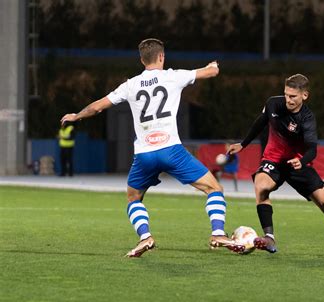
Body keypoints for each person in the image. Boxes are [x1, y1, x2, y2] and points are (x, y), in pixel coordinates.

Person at [61, 38, 243, 257]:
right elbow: (210, 73)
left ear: (141, 59)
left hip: (144, 155)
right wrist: (213, 66)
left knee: (133, 198)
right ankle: (218, 234)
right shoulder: (174, 76)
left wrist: (76, 115)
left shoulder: (130, 85)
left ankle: (145, 237)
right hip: (172, 151)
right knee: (214, 189)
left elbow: (98, 107)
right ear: (161, 57)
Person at [228, 74, 324, 257]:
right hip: (273, 160)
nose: (288, 100)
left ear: (304, 95)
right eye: (286, 94)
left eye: (293, 96)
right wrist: (243, 144)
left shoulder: (307, 118)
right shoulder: (274, 103)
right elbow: (261, 121)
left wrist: (302, 161)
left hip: (298, 163)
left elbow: (313, 150)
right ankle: (269, 238)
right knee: (261, 186)